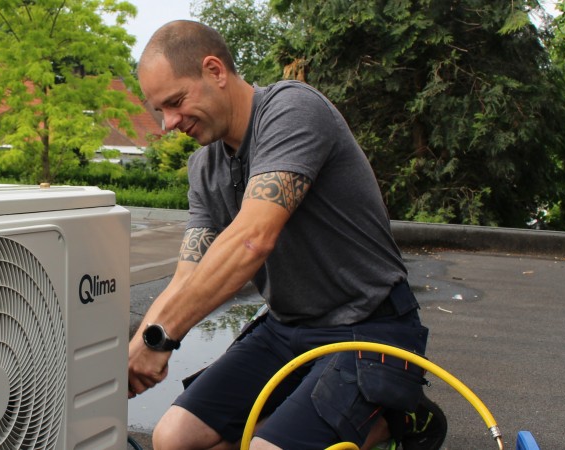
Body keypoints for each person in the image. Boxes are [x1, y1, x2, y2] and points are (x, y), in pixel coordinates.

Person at [127, 20, 447, 450]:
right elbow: (189, 276)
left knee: (265, 448)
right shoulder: (205, 168)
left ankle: (395, 418)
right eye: (159, 110)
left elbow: (251, 239)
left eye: (176, 101)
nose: (168, 123)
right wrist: (140, 346)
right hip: (285, 330)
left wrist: (162, 337)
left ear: (215, 71)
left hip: (370, 326)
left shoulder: (292, 110)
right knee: (173, 438)